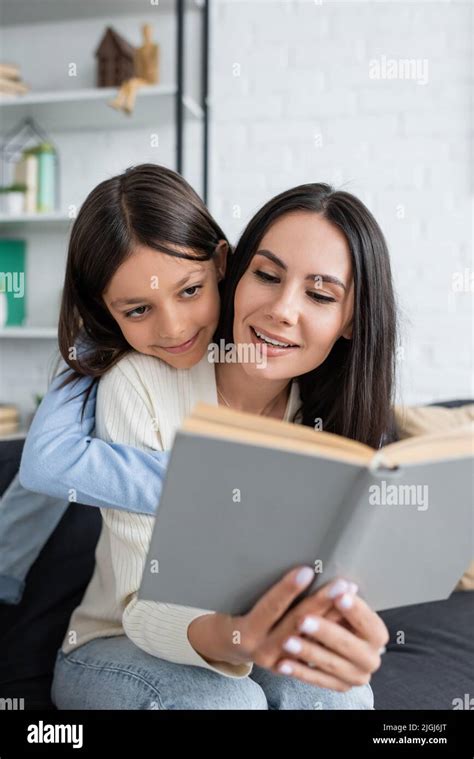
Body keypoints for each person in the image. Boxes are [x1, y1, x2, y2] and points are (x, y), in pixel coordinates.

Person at [21, 169, 394, 708]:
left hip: (252, 638)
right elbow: (141, 607)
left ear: (351, 320)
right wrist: (239, 632)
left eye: (318, 293)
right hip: (117, 643)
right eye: (267, 276)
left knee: (334, 696)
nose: (282, 310)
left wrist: (334, 630)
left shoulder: (334, 421)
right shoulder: (139, 381)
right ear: (238, 273)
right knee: (228, 704)